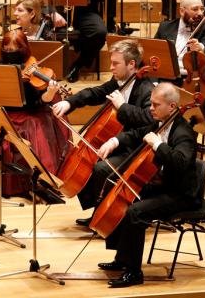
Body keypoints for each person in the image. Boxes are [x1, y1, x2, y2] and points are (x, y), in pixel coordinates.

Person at [94, 82, 199, 288]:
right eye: (151, 103)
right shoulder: (160, 122)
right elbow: (136, 134)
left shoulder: (184, 132)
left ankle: (134, 273)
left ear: (171, 107)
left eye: (155, 104)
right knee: (124, 195)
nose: (150, 108)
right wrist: (114, 141)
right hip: (164, 185)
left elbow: (180, 162)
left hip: (182, 194)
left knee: (136, 212)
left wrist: (158, 144)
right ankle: (123, 259)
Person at [0, 29, 70, 198]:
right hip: (4, 113)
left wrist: (51, 93)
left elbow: (42, 100)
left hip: (31, 113)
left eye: (14, 50)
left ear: (23, 50)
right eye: (6, 50)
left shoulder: (36, 72)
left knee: (31, 127)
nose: (10, 54)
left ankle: (36, 182)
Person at [52, 39, 154, 225]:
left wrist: (122, 108)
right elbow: (95, 92)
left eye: (116, 63)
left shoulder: (147, 90)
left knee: (100, 168)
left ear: (132, 64)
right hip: (118, 142)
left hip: (136, 147)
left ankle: (105, 215)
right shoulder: (119, 83)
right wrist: (70, 102)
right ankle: (99, 210)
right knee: (92, 161)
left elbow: (148, 121)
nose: (111, 67)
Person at [155, 0, 205, 122]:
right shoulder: (165, 27)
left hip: (196, 82)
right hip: (169, 79)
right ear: (182, 11)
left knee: (186, 115)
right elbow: (156, 53)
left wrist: (200, 47)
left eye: (202, 9)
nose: (200, 13)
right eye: (195, 9)